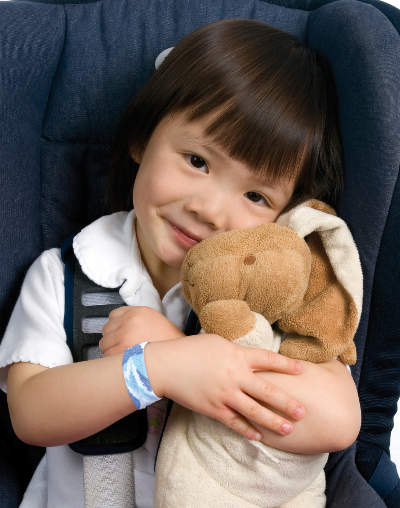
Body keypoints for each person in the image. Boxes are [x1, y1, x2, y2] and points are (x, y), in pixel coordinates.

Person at [0, 19, 360, 508]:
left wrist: (190, 352)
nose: (209, 209)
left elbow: (336, 421)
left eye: (255, 195)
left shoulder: (278, 287)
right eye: (197, 161)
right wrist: (155, 368)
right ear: (143, 139)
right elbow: (32, 411)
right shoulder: (66, 271)